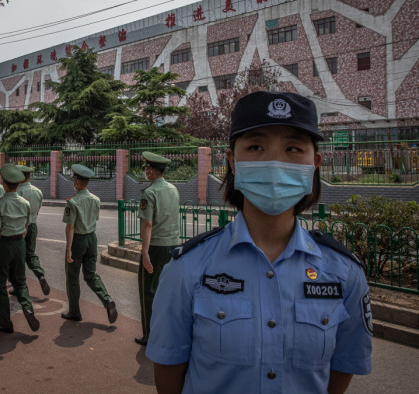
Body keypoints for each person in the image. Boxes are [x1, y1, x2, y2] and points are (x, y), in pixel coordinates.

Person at [146, 91, 373, 393]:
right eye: (255, 146)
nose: (275, 163)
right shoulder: (187, 269)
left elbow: (343, 366)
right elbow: (169, 373)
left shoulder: (345, 274)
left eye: (293, 148)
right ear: (232, 161)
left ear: (314, 163)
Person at [61, 164, 118, 324]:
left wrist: (68, 248)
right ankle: (107, 299)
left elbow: (70, 226)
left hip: (78, 239)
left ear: (77, 181)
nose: (73, 181)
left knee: (72, 277)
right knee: (91, 274)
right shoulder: (96, 199)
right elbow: (94, 219)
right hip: (92, 239)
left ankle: (74, 312)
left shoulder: (72, 202)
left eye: (74, 178)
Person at [135, 151, 180, 346]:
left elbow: (147, 224)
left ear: (152, 171)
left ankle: (149, 334)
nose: (146, 171)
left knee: (148, 292)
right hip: (172, 245)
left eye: (147, 168)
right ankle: (168, 331)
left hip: (155, 247)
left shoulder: (149, 192)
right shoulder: (173, 189)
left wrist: (144, 251)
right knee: (167, 291)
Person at [0, 164, 39, 333]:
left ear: (4, 184)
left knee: (0, 283)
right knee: (20, 281)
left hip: (4, 244)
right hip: (20, 243)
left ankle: (5, 322)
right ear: (18, 184)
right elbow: (26, 227)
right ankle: (28, 307)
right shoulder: (25, 203)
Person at [16, 165, 50, 295]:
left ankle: (19, 285)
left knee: (18, 257)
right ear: (29, 176)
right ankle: (40, 274)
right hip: (32, 225)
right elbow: (38, 210)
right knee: (30, 253)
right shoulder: (38, 191)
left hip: (19, 227)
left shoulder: (17, 192)